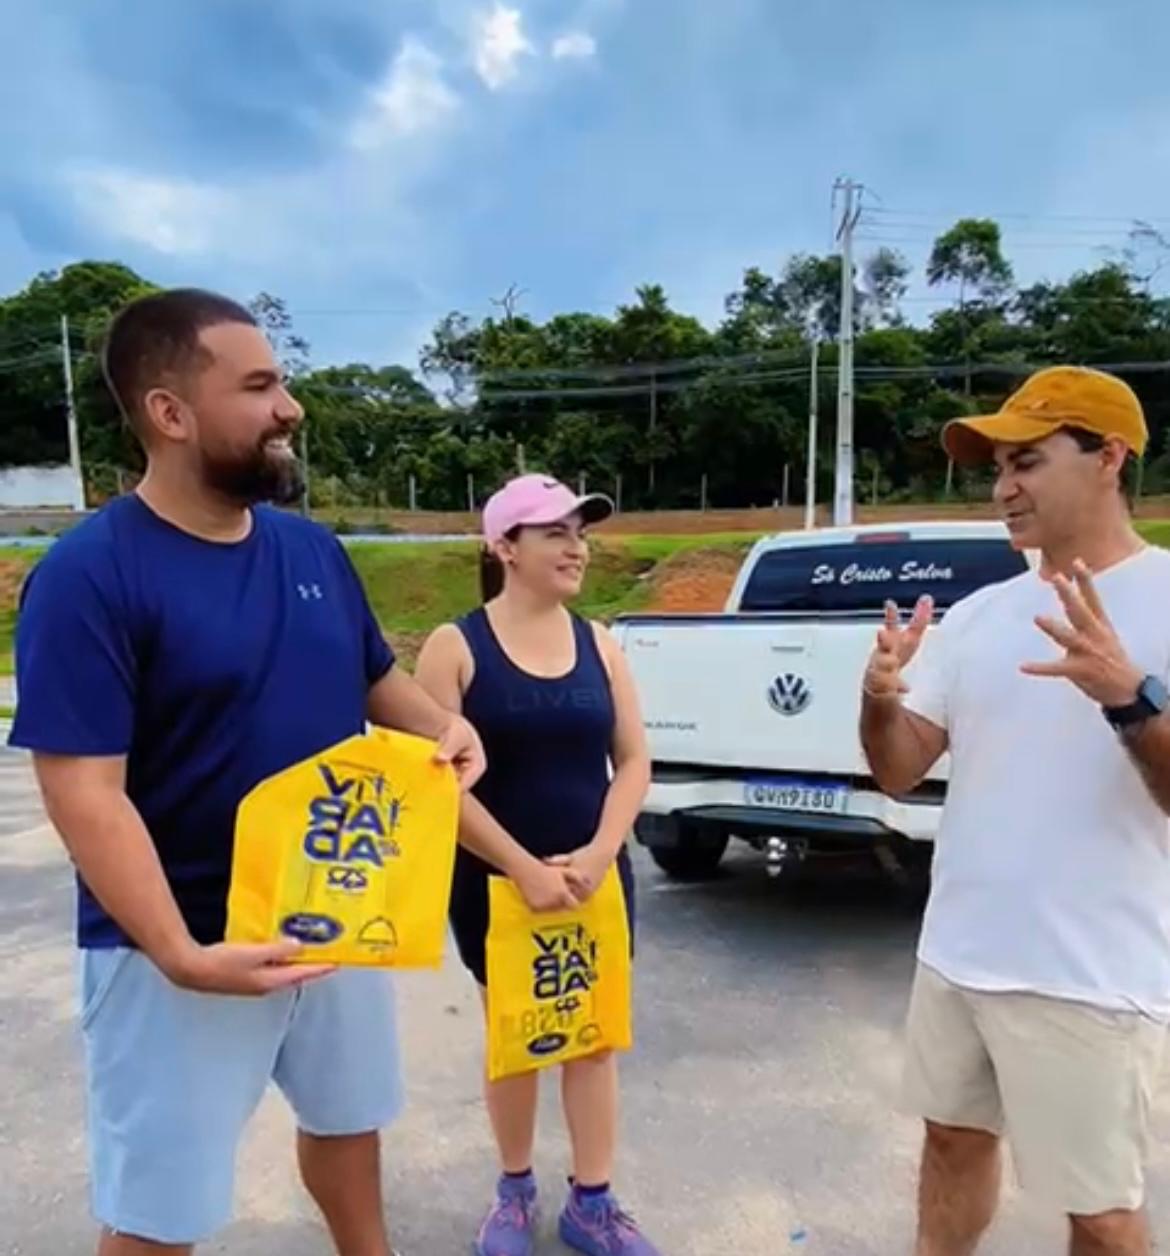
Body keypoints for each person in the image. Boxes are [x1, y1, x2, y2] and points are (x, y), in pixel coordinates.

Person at [10, 289, 579, 1256]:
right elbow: (84, 794)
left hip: (337, 914)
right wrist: (184, 956)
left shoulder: (310, 550)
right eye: (261, 385)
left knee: (350, 1125)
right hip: (180, 948)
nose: (291, 407)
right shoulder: (89, 576)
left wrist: (443, 725)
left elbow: (368, 675)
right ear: (171, 413)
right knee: (159, 1208)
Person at [859, 365, 1170, 1256]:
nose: (1003, 488)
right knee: (951, 1144)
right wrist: (879, 698)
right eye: (997, 467)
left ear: (1109, 456)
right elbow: (896, 770)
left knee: (1102, 1218)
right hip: (958, 953)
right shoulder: (980, 614)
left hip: (1091, 973)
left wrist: (1129, 696)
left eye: (1027, 461)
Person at [414, 473, 660, 1256]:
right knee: (514, 1032)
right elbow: (435, 786)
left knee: (592, 1039)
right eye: (553, 531)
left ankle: (592, 1203)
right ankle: (513, 1191)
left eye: (579, 532)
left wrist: (600, 851)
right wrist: (519, 865)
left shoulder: (601, 645)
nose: (575, 545)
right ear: (504, 546)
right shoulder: (457, 647)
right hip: (494, 879)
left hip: (594, 878)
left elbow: (634, 761)